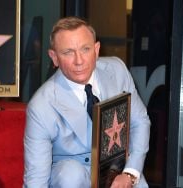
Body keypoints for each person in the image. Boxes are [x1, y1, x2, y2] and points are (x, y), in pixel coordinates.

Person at [23, 16, 151, 188]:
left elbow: (140, 121)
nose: (79, 61)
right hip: (74, 177)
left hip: (119, 171)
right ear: (54, 57)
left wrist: (130, 173)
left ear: (97, 49)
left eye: (85, 49)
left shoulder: (117, 70)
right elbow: (35, 178)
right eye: (68, 52)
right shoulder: (41, 105)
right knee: (69, 174)